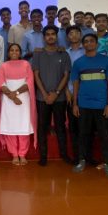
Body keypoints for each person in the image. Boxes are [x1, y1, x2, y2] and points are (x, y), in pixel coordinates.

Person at [71, 33, 108, 179]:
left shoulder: (106, 61)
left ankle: (107, 163)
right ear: (83, 45)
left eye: (91, 41)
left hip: (102, 105)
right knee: (83, 134)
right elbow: (75, 84)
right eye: (86, 41)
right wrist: (75, 104)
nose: (89, 43)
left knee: (105, 136)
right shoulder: (78, 63)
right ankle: (82, 160)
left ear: (96, 44)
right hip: (83, 105)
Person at [33, 25, 71, 166]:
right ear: (44, 38)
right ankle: (43, 156)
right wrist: (45, 94)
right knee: (42, 127)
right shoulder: (38, 54)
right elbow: (36, 75)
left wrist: (56, 93)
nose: (50, 36)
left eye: (53, 34)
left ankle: (64, 154)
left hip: (59, 98)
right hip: (42, 97)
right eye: (47, 34)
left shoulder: (64, 54)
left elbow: (66, 75)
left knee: (60, 127)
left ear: (56, 36)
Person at [0, 43, 36, 165]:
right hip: (8, 101)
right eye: (12, 50)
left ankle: (22, 154)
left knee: (24, 127)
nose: (14, 52)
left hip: (24, 101)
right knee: (10, 127)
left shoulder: (26, 64)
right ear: (8, 53)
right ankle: (14, 154)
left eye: (17, 50)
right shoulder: (3, 66)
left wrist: (16, 94)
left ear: (20, 52)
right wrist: (13, 97)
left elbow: (29, 82)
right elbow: (1, 84)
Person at [65, 25, 85, 163]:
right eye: (71, 33)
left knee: (86, 126)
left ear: (80, 34)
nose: (74, 35)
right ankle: (77, 156)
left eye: (76, 33)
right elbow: (63, 74)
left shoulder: (87, 51)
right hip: (70, 94)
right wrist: (67, 90)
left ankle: (86, 156)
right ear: (67, 37)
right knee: (73, 127)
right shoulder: (65, 53)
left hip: (85, 93)